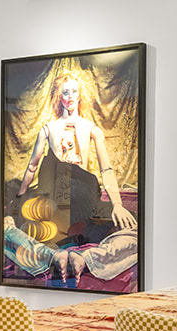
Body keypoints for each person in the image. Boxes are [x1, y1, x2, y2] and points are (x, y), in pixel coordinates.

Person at [17, 72, 137, 231]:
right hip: (55, 188)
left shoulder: (92, 129)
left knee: (127, 219)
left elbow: (106, 169)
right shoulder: (48, 129)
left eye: (74, 91)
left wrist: (118, 205)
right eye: (65, 92)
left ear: (80, 94)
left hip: (82, 187)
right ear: (60, 97)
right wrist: (20, 196)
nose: (70, 96)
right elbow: (33, 166)